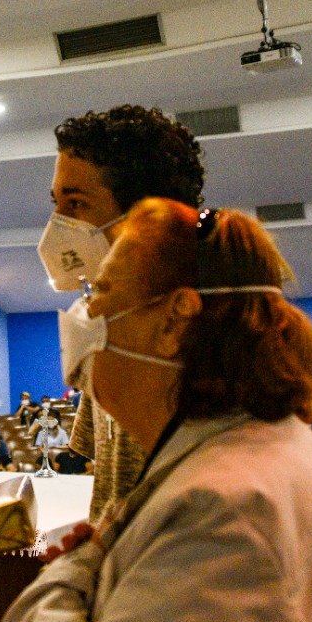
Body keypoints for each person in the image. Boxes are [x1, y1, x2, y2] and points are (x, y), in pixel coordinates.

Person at [0, 200, 312, 622]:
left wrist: (62, 584)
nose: (84, 314)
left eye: (101, 292)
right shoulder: (253, 447)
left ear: (173, 320)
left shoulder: (225, 514)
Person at [35, 105, 206, 523]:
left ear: (146, 215)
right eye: (56, 202)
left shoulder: (204, 332)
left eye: (76, 203)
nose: (56, 223)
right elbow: (107, 475)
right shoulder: (105, 323)